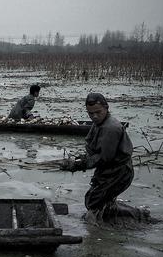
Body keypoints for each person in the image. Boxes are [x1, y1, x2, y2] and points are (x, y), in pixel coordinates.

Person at [60, 93, 142, 223]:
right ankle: (121, 217)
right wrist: (80, 159)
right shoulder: (99, 122)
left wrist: (78, 165)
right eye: (90, 113)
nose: (94, 116)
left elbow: (104, 158)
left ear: (106, 108)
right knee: (100, 202)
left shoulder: (110, 128)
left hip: (118, 172)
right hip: (109, 170)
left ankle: (98, 231)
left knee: (94, 202)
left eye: (98, 112)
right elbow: (93, 149)